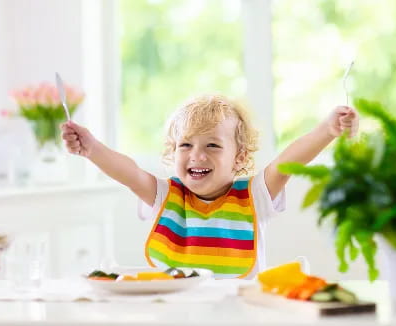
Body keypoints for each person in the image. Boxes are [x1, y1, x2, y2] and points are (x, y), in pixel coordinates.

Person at [61, 94, 359, 279]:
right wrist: (92, 149)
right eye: (185, 145)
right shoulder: (165, 196)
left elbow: (287, 160)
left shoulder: (254, 196)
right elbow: (130, 173)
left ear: (238, 157)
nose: (197, 155)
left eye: (213, 145)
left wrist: (327, 130)